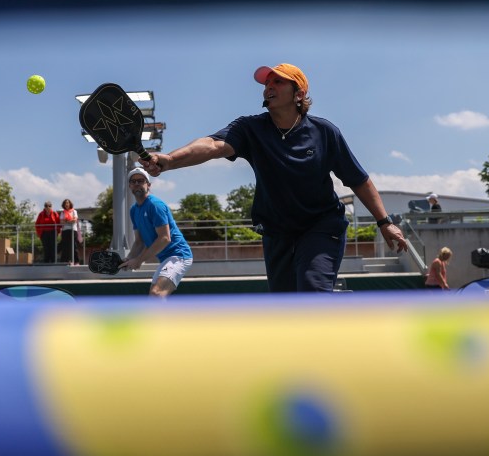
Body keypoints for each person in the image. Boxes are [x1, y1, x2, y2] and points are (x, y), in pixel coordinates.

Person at [139, 62, 407, 292]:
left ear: (299, 93)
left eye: (278, 82)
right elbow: (212, 146)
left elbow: (358, 180)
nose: (269, 87)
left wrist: (384, 222)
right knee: (286, 309)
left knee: (313, 292)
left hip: (321, 227)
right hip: (277, 233)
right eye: (267, 83)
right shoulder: (250, 128)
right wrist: (170, 160)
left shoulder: (325, 132)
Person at [119, 168, 194, 297]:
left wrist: (139, 260)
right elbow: (139, 242)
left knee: (156, 293)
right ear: (130, 186)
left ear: (148, 185)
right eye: (133, 181)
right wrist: (129, 258)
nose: (137, 183)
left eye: (141, 181)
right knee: (154, 296)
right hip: (165, 258)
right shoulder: (134, 210)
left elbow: (165, 238)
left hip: (179, 256)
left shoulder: (155, 205)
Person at [59, 199, 80, 264]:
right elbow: (61, 222)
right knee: (65, 246)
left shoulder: (74, 211)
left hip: (73, 230)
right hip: (65, 230)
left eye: (67, 203)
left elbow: (75, 220)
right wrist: (69, 220)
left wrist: (66, 221)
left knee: (74, 246)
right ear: (64, 205)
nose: (66, 204)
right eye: (65, 203)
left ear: (70, 204)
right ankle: (65, 261)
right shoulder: (62, 212)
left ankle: (76, 261)